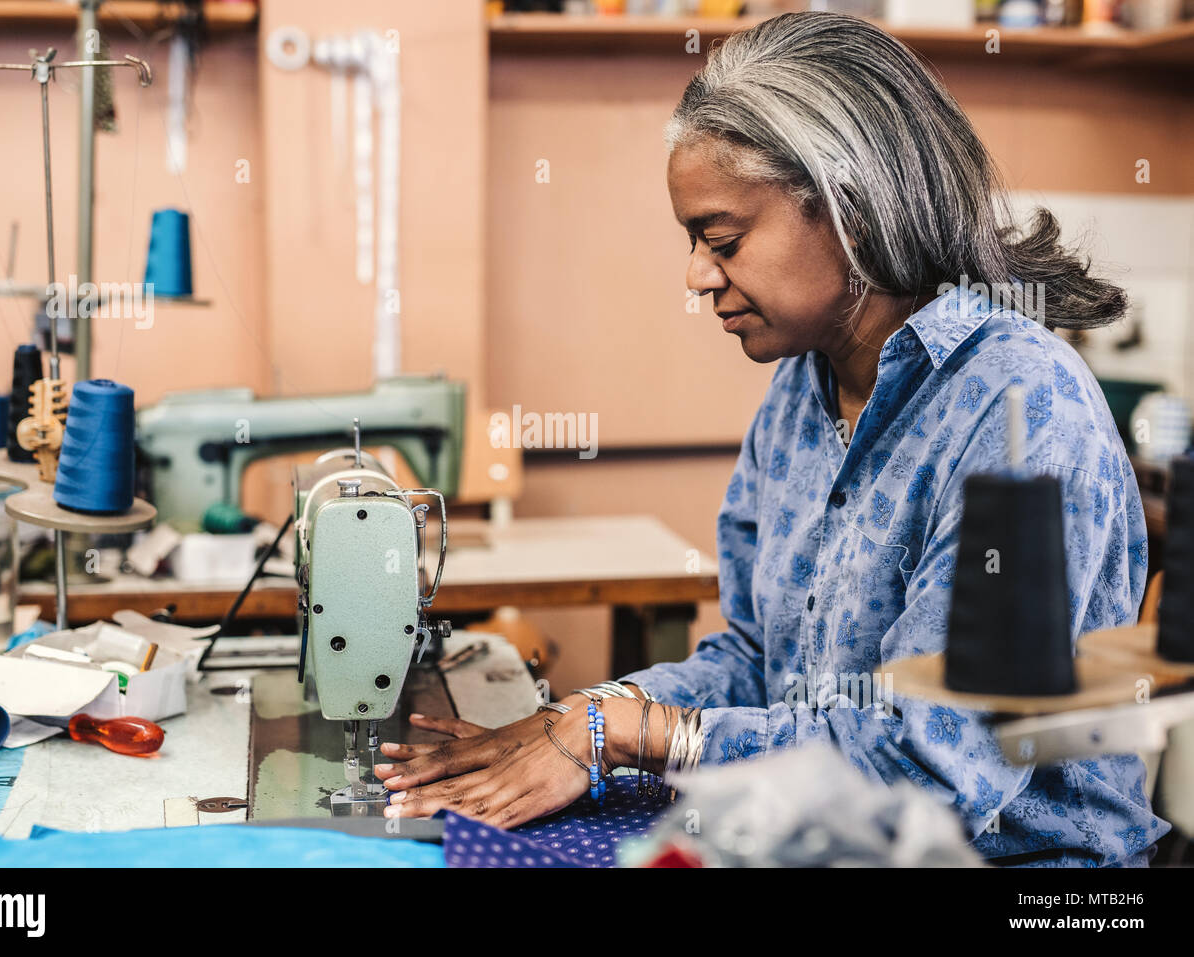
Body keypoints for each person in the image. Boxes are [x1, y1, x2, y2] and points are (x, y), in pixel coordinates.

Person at [377, 11, 1168, 866]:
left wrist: (644, 732)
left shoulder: (1022, 411)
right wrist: (584, 717)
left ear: (850, 208)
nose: (697, 274)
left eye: (723, 239)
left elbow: (929, 767)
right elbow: (758, 658)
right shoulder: (804, 388)